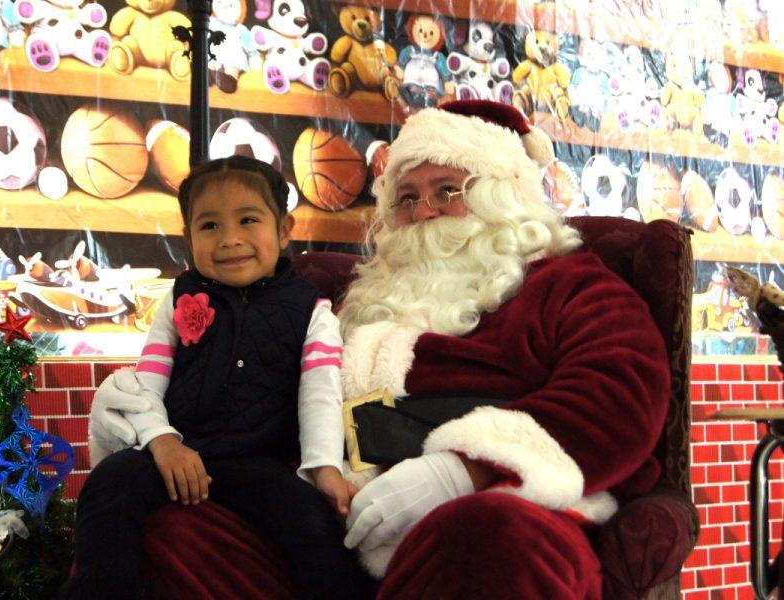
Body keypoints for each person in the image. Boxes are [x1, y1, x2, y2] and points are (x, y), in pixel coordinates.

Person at [88, 100, 671, 599]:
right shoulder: (353, 304)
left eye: (449, 191)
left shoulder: (567, 284)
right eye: (407, 198)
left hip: (491, 509)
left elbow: (619, 391)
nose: (423, 213)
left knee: (494, 536)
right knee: (175, 529)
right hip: (339, 521)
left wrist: (462, 470)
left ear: (503, 199)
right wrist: (148, 420)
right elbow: (270, 401)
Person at [67, 156, 371, 599]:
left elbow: (320, 394)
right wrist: (162, 442)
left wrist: (324, 467)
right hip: (178, 450)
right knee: (111, 483)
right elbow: (145, 385)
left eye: (248, 220)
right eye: (209, 226)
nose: (230, 240)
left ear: (284, 229)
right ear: (187, 237)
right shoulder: (179, 299)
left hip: (259, 464)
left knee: (313, 527)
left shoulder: (311, 310)